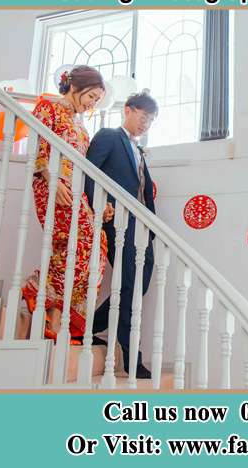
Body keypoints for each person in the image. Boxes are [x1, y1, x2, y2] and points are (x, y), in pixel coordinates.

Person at [21, 65, 112, 344]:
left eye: (97, 100)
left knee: (92, 248)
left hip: (75, 192)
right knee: (78, 244)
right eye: (91, 97)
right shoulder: (48, 107)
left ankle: (58, 314)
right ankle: (41, 296)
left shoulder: (80, 124)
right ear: (75, 87)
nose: (92, 104)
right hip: (52, 186)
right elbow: (36, 145)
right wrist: (51, 178)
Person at [85, 91, 158, 379]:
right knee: (129, 286)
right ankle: (132, 358)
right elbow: (89, 172)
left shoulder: (138, 150)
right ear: (128, 110)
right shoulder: (109, 136)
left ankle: (90, 325)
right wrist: (100, 206)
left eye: (151, 121)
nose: (146, 124)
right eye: (143, 117)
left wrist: (151, 228)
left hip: (142, 230)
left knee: (134, 289)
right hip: (118, 225)